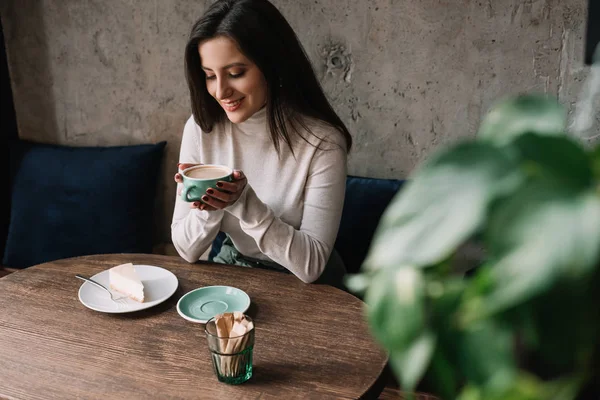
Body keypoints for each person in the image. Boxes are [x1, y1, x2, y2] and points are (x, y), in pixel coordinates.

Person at [171, 0, 352, 288]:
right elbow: (186, 249)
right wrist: (210, 203)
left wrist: (243, 202)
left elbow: (312, 265)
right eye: (209, 76)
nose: (220, 91)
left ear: (272, 65)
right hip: (234, 270)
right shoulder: (201, 128)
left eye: (235, 73)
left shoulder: (322, 142)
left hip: (307, 287)